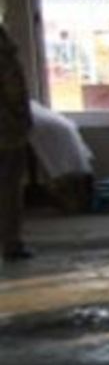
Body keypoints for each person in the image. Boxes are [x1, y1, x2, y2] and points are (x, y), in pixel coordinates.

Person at [0, 21, 30, 261]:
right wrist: (22, 119)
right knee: (9, 190)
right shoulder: (4, 56)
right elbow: (14, 92)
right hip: (7, 133)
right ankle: (11, 244)